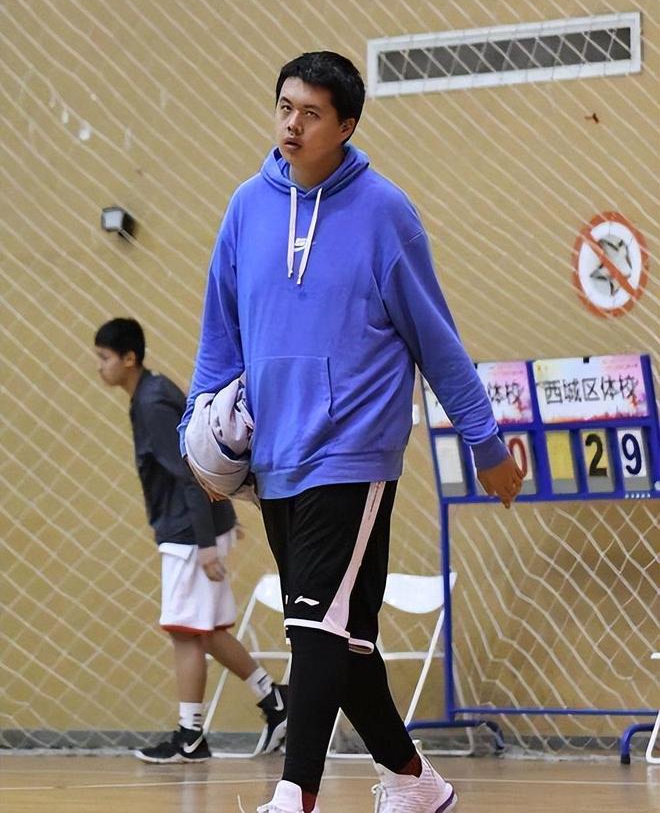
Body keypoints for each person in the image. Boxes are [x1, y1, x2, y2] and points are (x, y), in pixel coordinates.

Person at [179, 52, 523, 811]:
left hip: (353, 449)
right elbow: (220, 333)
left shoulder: (384, 212)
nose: (291, 125)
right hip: (275, 454)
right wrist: (197, 427)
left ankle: (293, 794)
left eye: (310, 113)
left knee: (312, 625)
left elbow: (436, 341)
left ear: (346, 126)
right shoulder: (246, 207)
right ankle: (416, 783)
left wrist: (486, 444)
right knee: (343, 636)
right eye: (284, 107)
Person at [94, 318, 287, 764]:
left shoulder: (152, 403)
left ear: (129, 358)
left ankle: (190, 736)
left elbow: (188, 473)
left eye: (104, 358)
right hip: (195, 527)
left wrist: (206, 541)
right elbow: (198, 461)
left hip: (187, 534)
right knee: (208, 630)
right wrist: (222, 518)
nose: (99, 367)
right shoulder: (151, 393)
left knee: (186, 632)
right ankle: (275, 700)